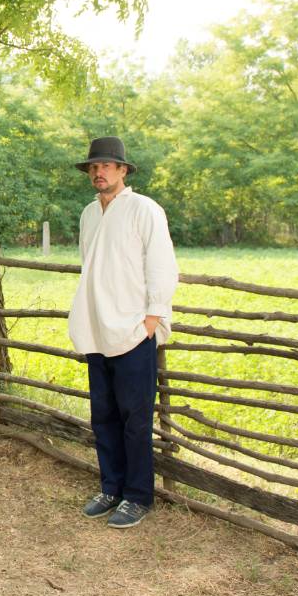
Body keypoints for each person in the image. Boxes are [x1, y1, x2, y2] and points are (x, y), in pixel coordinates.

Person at [67, 136, 178, 530]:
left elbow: (161, 265)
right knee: (104, 414)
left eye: (106, 166)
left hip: (133, 329)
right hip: (98, 327)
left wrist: (152, 317)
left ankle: (137, 496)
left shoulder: (144, 209)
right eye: (93, 167)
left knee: (135, 417)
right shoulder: (88, 214)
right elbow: (91, 266)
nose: (98, 172)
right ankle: (111, 487)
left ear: (123, 170)